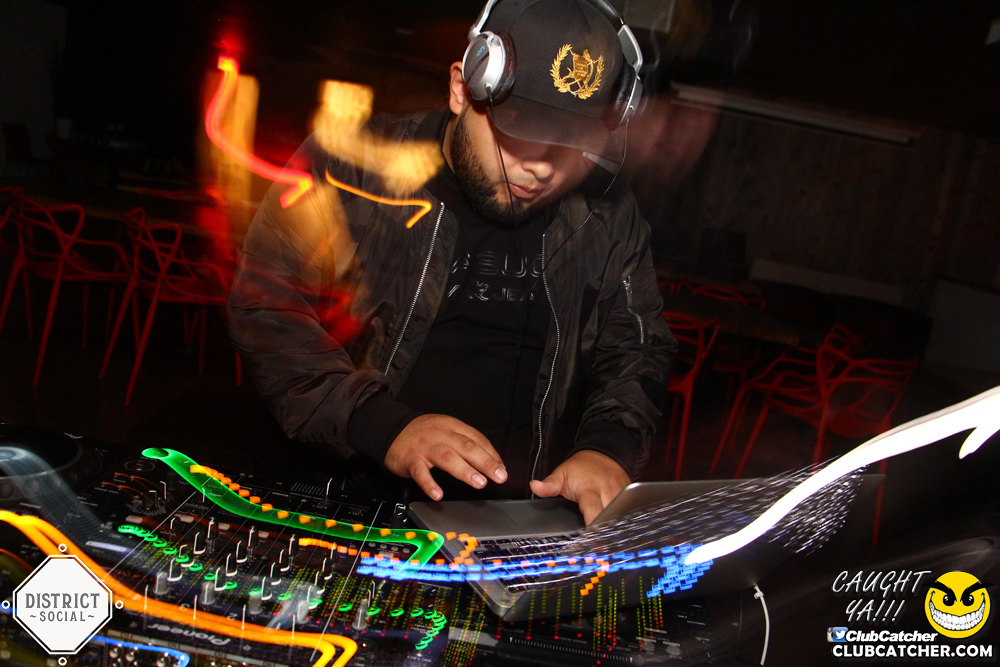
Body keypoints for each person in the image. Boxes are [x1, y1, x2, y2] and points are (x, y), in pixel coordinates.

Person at [227, 0, 676, 524]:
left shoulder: (608, 214)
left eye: (570, 147)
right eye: (520, 135)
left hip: (515, 520)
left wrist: (607, 448)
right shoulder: (351, 168)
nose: (541, 169)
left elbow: (637, 347)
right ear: (462, 89)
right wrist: (380, 424)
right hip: (349, 497)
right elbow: (266, 305)